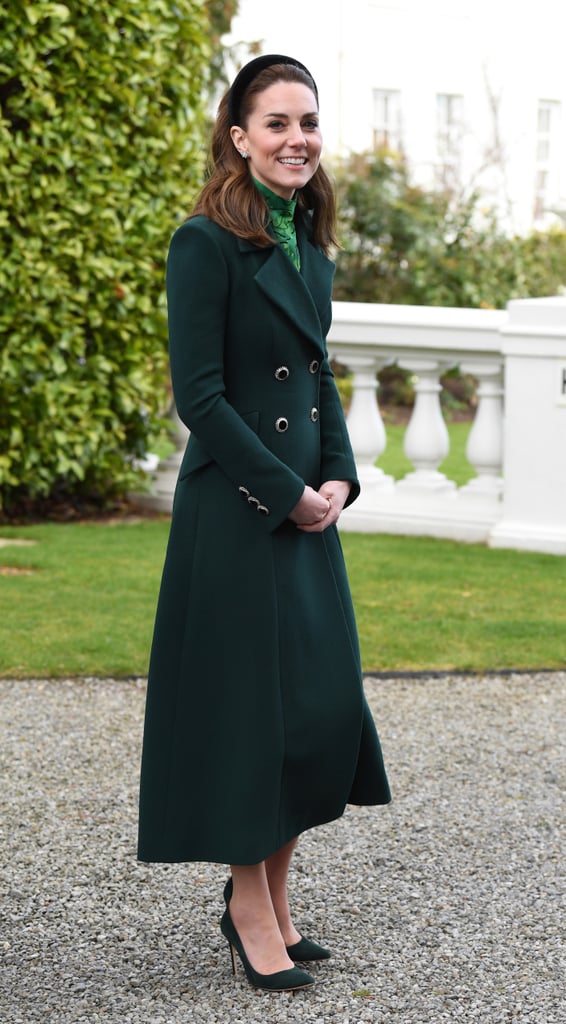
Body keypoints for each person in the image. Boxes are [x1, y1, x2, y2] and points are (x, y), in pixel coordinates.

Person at [138, 53, 391, 993]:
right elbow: (200, 398)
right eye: (277, 124)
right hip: (240, 513)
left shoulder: (308, 244)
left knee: (313, 712)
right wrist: (287, 491)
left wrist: (340, 476)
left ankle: (277, 899)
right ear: (239, 139)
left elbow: (316, 374)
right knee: (254, 714)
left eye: (309, 123)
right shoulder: (203, 242)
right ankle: (250, 906)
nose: (298, 140)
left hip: (308, 513)